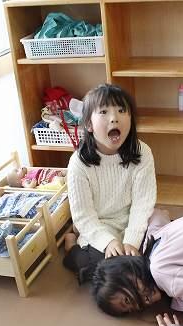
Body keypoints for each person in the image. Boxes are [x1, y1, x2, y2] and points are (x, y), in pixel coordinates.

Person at [63, 84, 157, 273]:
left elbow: (143, 204)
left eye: (121, 110)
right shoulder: (78, 163)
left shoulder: (143, 152)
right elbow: (83, 215)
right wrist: (108, 242)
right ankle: (71, 246)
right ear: (89, 124)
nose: (114, 118)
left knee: (157, 253)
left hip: (132, 222)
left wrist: (131, 241)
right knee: (101, 267)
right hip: (100, 226)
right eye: (104, 112)